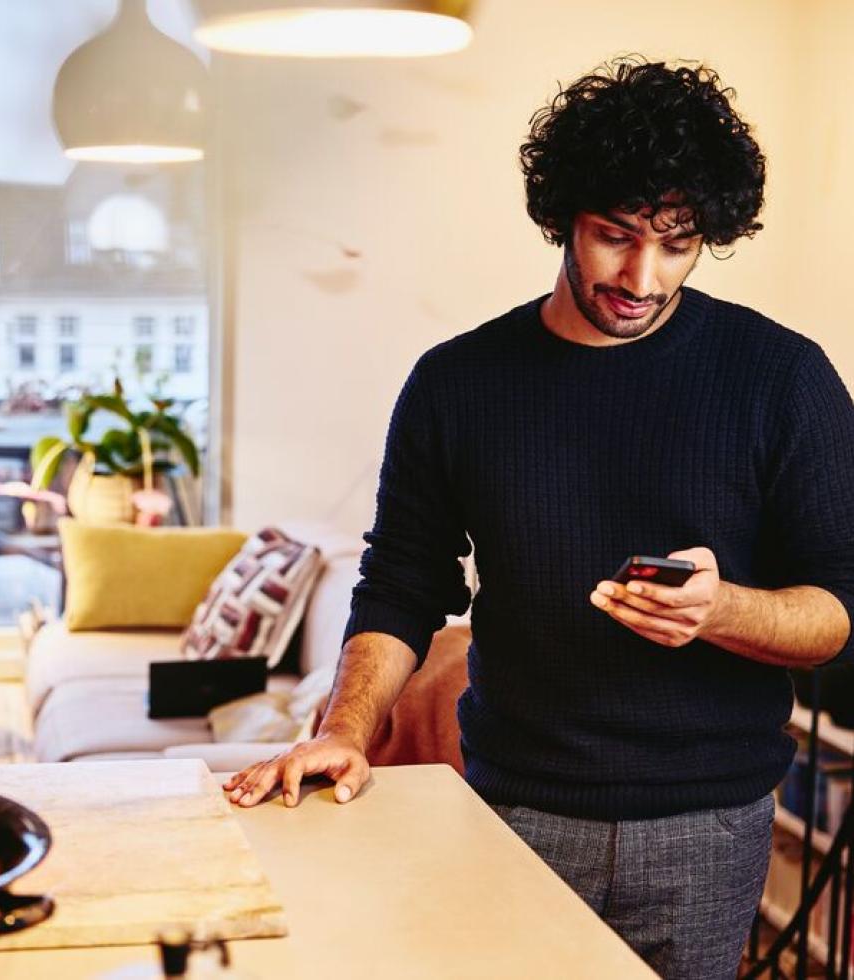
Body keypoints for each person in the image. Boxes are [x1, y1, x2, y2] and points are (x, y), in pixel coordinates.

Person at [224, 58, 854, 979]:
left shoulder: (783, 379)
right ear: (560, 214)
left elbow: (835, 610)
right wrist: (344, 731)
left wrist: (719, 613)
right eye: (614, 236)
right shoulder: (457, 383)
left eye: (677, 244)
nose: (642, 275)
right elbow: (401, 585)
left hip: (707, 824)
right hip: (514, 808)